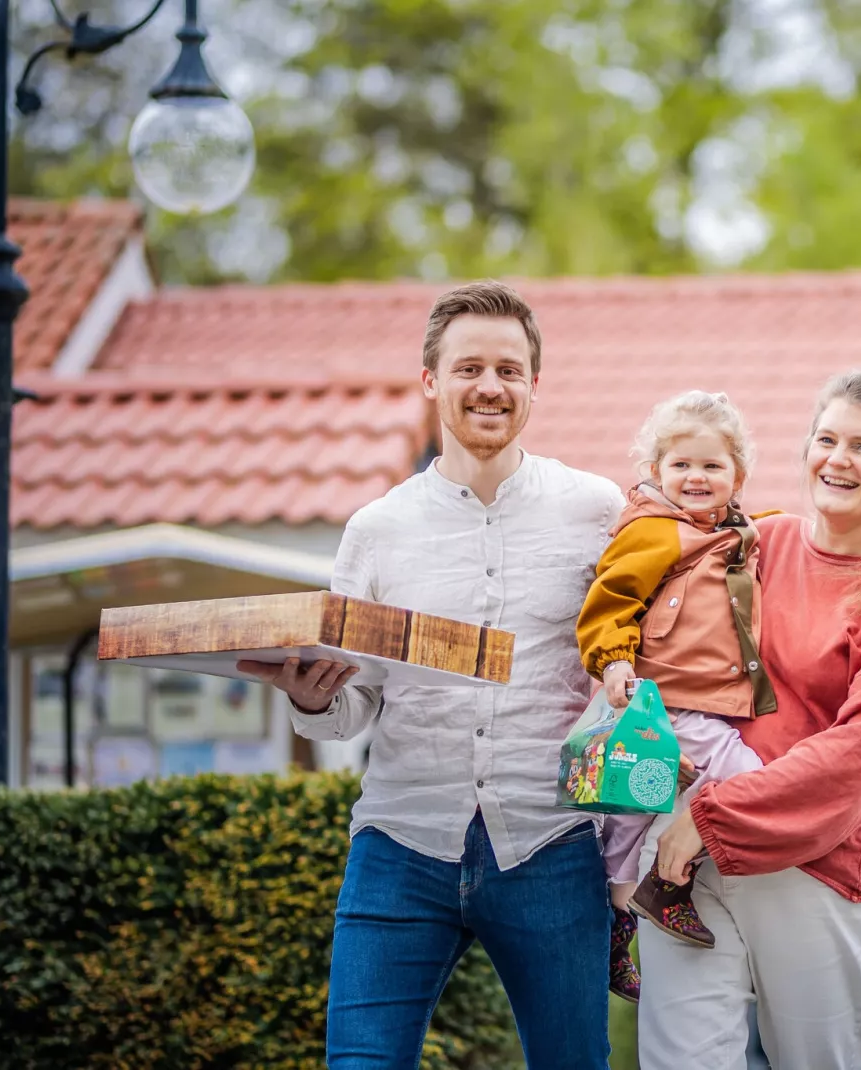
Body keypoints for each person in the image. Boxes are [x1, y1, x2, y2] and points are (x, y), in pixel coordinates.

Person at [237, 280, 626, 1069]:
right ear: (430, 382)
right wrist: (315, 705)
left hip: (550, 839)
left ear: (535, 386)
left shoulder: (597, 510)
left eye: (510, 370)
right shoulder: (377, 530)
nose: (490, 387)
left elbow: (630, 655)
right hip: (401, 840)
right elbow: (354, 701)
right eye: (469, 368)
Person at [639, 368, 861, 1069]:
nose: (837, 460)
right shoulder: (760, 543)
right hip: (684, 852)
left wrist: (713, 814)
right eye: (826, 440)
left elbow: (859, 755)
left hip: (813, 869)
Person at [575, 390, 777, 1003]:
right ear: (656, 472)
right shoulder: (657, 532)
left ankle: (618, 914)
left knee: (638, 807)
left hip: (697, 698)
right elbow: (610, 599)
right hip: (665, 696)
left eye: (712, 466)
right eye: (681, 465)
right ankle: (662, 886)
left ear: (737, 476)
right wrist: (611, 661)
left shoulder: (735, 535)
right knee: (748, 782)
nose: (696, 477)